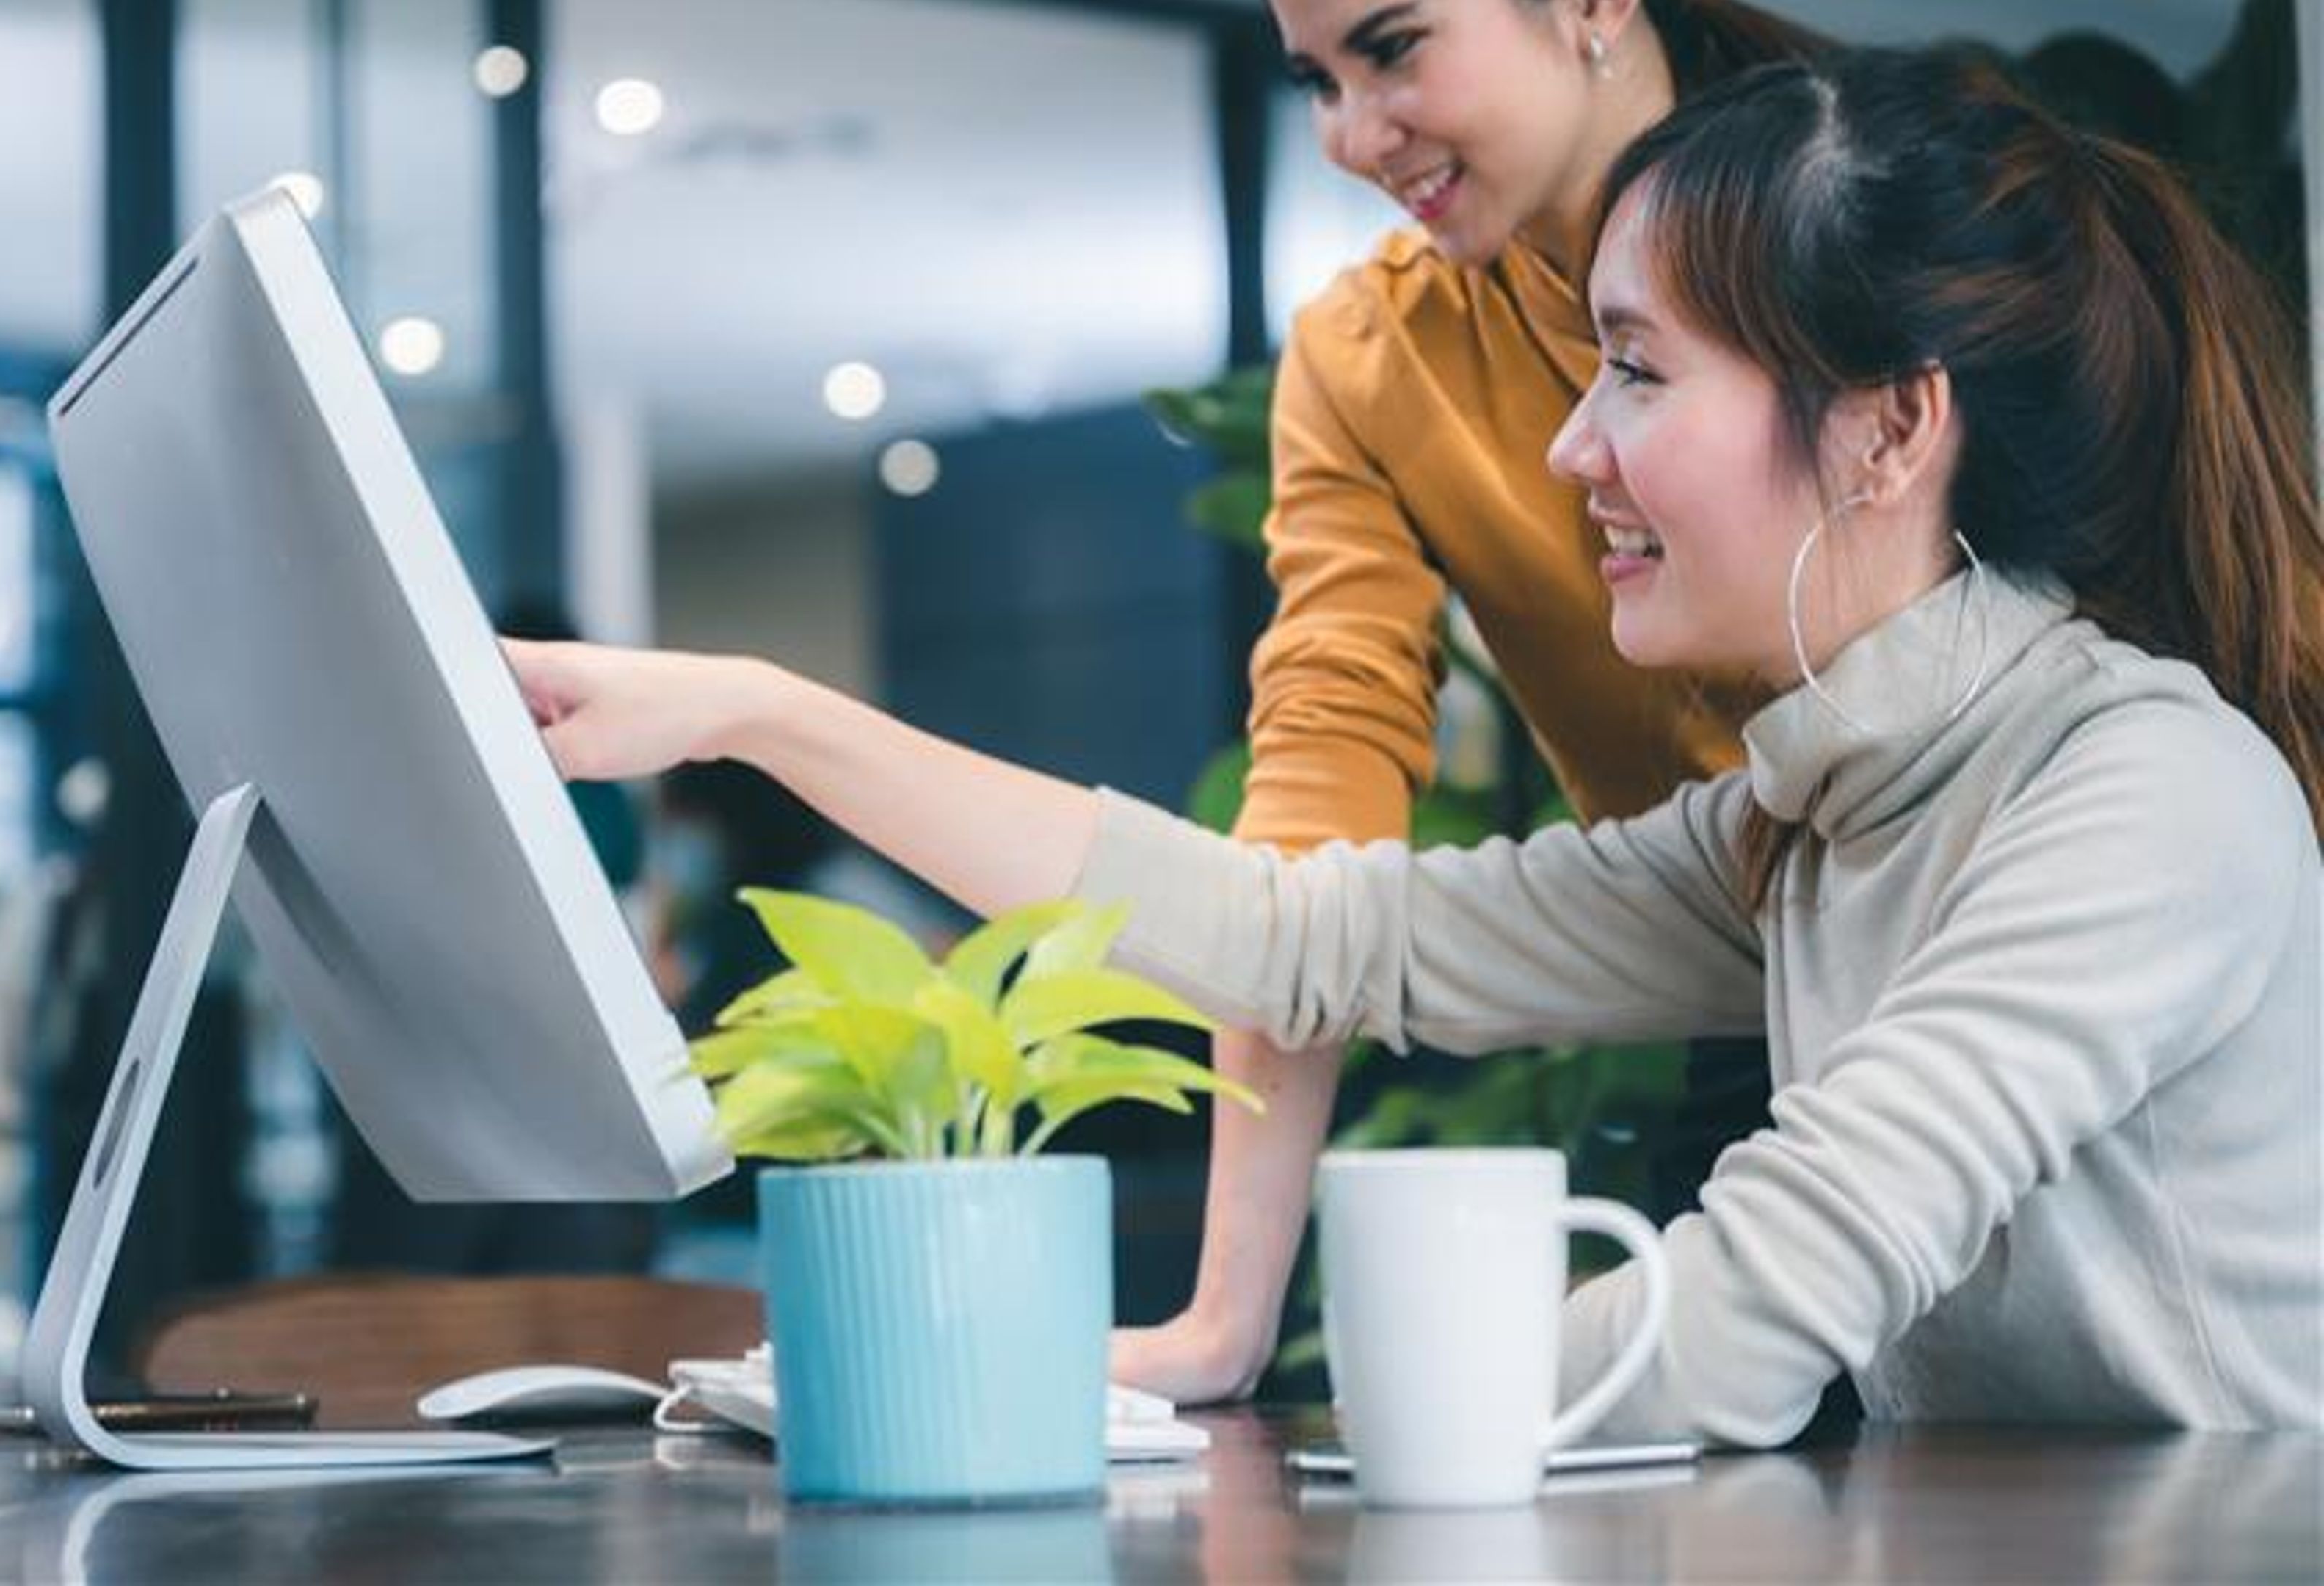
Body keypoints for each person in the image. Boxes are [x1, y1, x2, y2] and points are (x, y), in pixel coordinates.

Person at [504, 48, 2324, 1444]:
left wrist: (1330, 1435)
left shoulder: (2138, 794)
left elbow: (1767, 1300)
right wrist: (759, 713)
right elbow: (1303, 940)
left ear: (1886, 430)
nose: (1569, 453)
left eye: (1640, 371)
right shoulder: (1808, 819)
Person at [1147, 0, 1833, 1407]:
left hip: (2013, 960)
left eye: (1392, 49)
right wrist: (1227, 1316)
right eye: (1314, 81)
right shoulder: (1371, 356)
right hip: (1745, 1010)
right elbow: (1319, 798)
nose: (1349, 135)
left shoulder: (1862, 214)